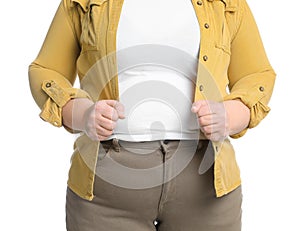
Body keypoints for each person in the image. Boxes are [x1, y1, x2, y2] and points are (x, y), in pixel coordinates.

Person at [29, 0, 275, 230]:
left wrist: (230, 115)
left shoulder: (226, 4)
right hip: (105, 184)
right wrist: (82, 114)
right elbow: (47, 70)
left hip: (206, 180)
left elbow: (256, 75)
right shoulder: (81, 3)